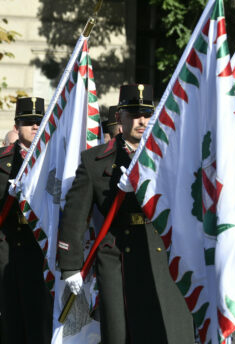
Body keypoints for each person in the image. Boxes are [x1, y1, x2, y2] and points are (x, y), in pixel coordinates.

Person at [57, 84, 194, 343]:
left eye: (146, 114)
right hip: (117, 255)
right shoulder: (95, 160)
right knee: (120, 332)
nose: (141, 121)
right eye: (134, 114)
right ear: (120, 117)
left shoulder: (171, 155)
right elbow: (75, 215)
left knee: (167, 327)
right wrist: (71, 265)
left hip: (162, 249)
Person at [0, 97, 53, 344]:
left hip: (43, 244)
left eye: (39, 122)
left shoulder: (54, 158)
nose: (35, 127)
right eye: (28, 122)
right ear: (17, 126)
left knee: (41, 315)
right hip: (11, 244)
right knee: (13, 316)